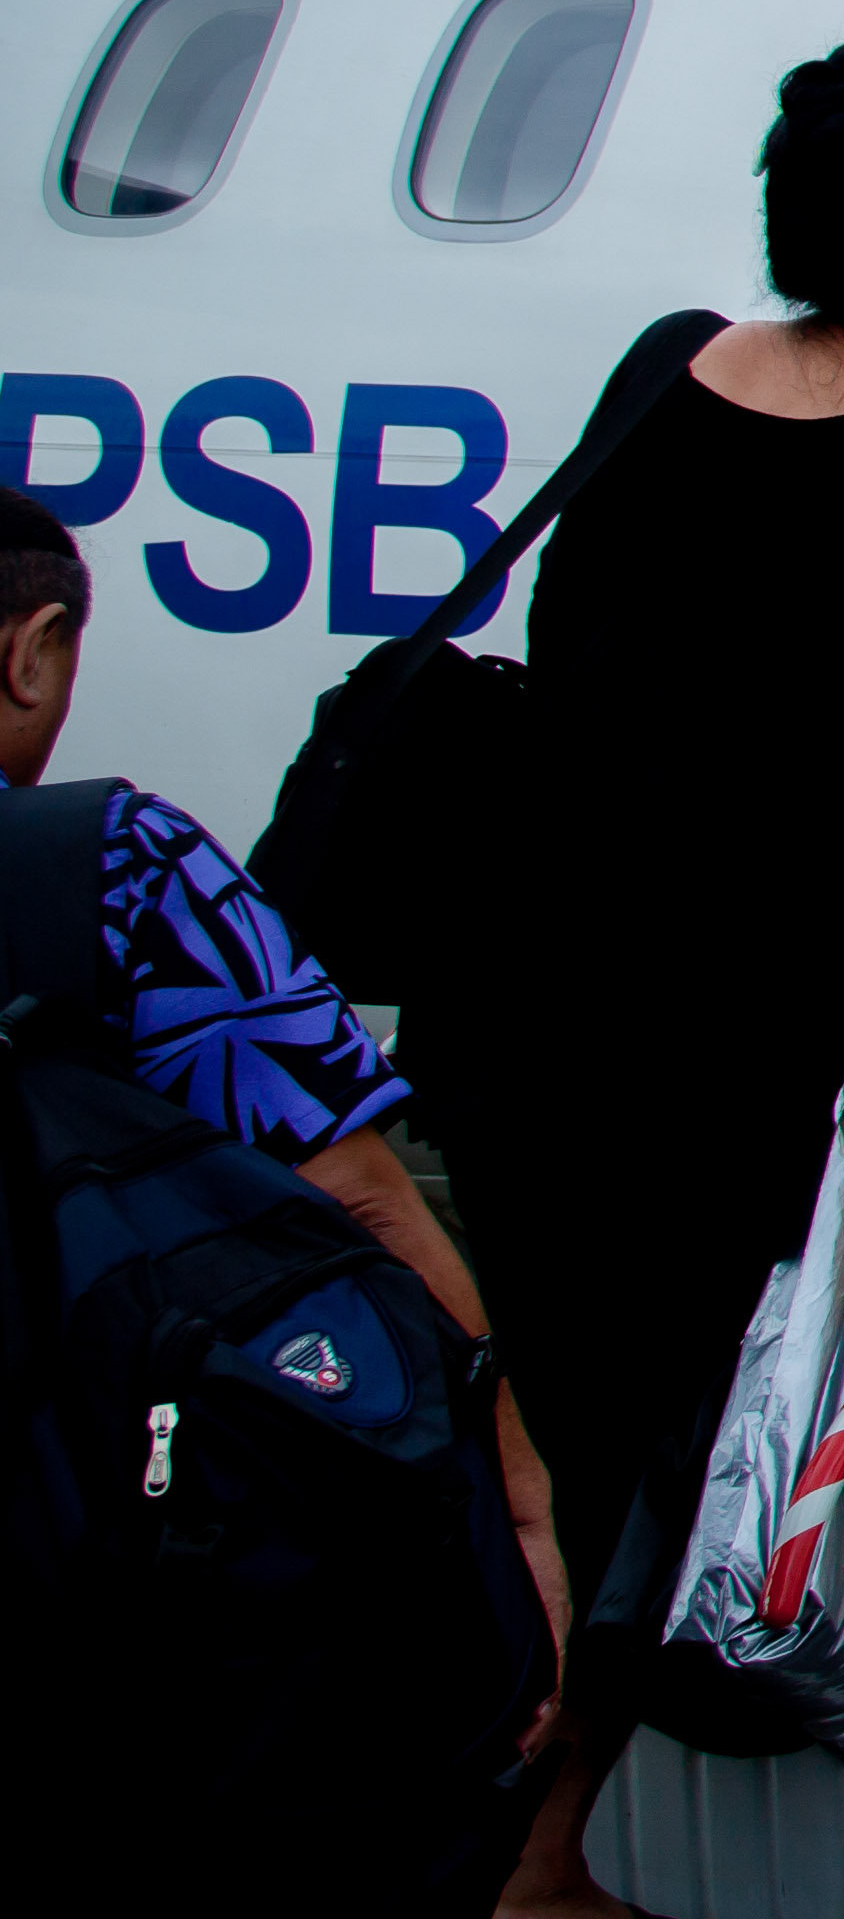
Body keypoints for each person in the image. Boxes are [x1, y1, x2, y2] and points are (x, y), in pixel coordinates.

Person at [400, 49, 844, 1919]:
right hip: (732, 1014)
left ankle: (472, 1803)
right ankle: (535, 1847)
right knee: (677, 1448)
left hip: (520, 974)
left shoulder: (663, 368)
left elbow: (564, 636)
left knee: (545, 1406)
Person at [0, 489, 571, 1865]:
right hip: (79, 1575)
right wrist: (527, 1515)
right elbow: (359, 1200)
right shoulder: (115, 872)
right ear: (33, 649)